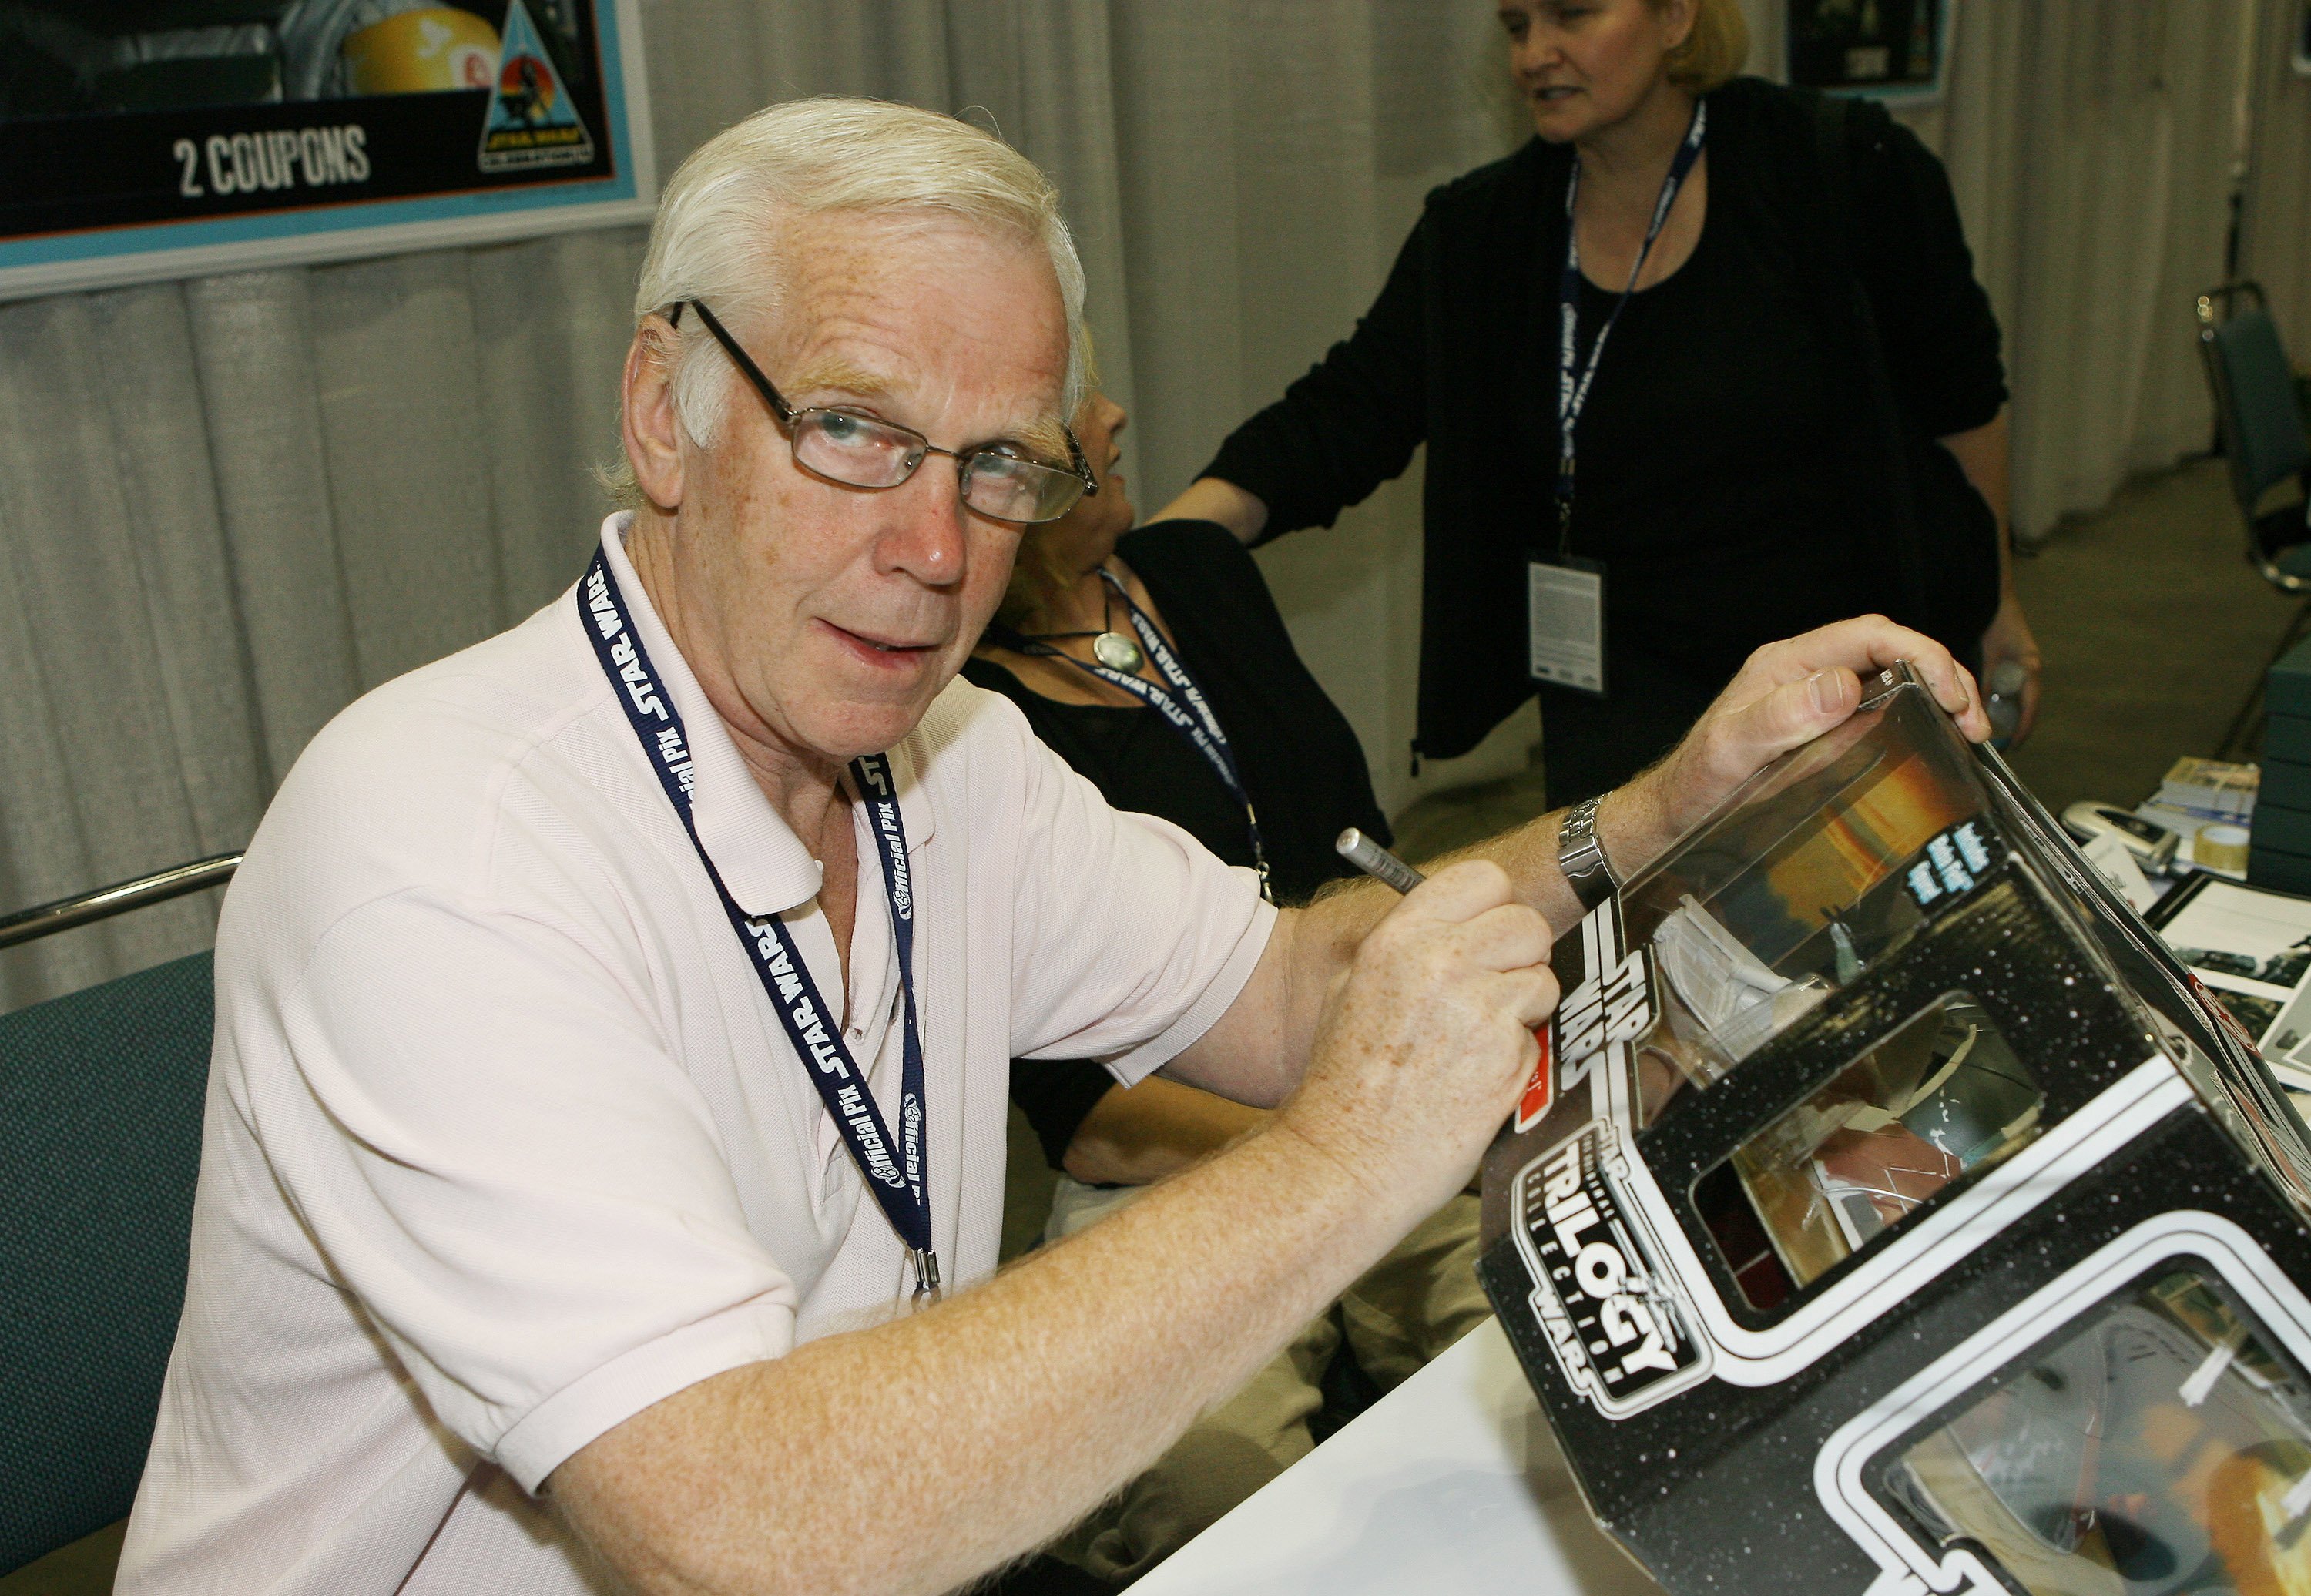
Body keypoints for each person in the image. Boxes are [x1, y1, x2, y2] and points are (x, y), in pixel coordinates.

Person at [117, 96, 1989, 1596]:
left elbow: (1289, 986)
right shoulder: (442, 848)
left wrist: (1672, 802)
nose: (934, 550)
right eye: (853, 431)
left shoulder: (947, 756)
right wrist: (1345, 1159)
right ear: (659, 416)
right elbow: (735, 1533)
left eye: (998, 463)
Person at [1162, 0, 2039, 809]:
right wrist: (1172, 541)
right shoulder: (1485, 231)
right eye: (1515, 24)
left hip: (1840, 676)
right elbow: (1347, 410)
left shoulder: (1841, 167)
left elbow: (1962, 401)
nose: (1534, 54)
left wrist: (1993, 596)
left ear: (1675, 16)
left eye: (1572, 13)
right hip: (1621, 703)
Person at [964, 391, 1488, 1583]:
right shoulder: (975, 731)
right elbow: (1090, 1122)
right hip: (1172, 1166)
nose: (1116, 410)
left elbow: (1349, 847)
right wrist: (1326, 1141)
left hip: (1385, 1089)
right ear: (1009, 489)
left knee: (1539, 1364)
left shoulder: (1196, 572)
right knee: (1221, 1496)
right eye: (1076, 410)